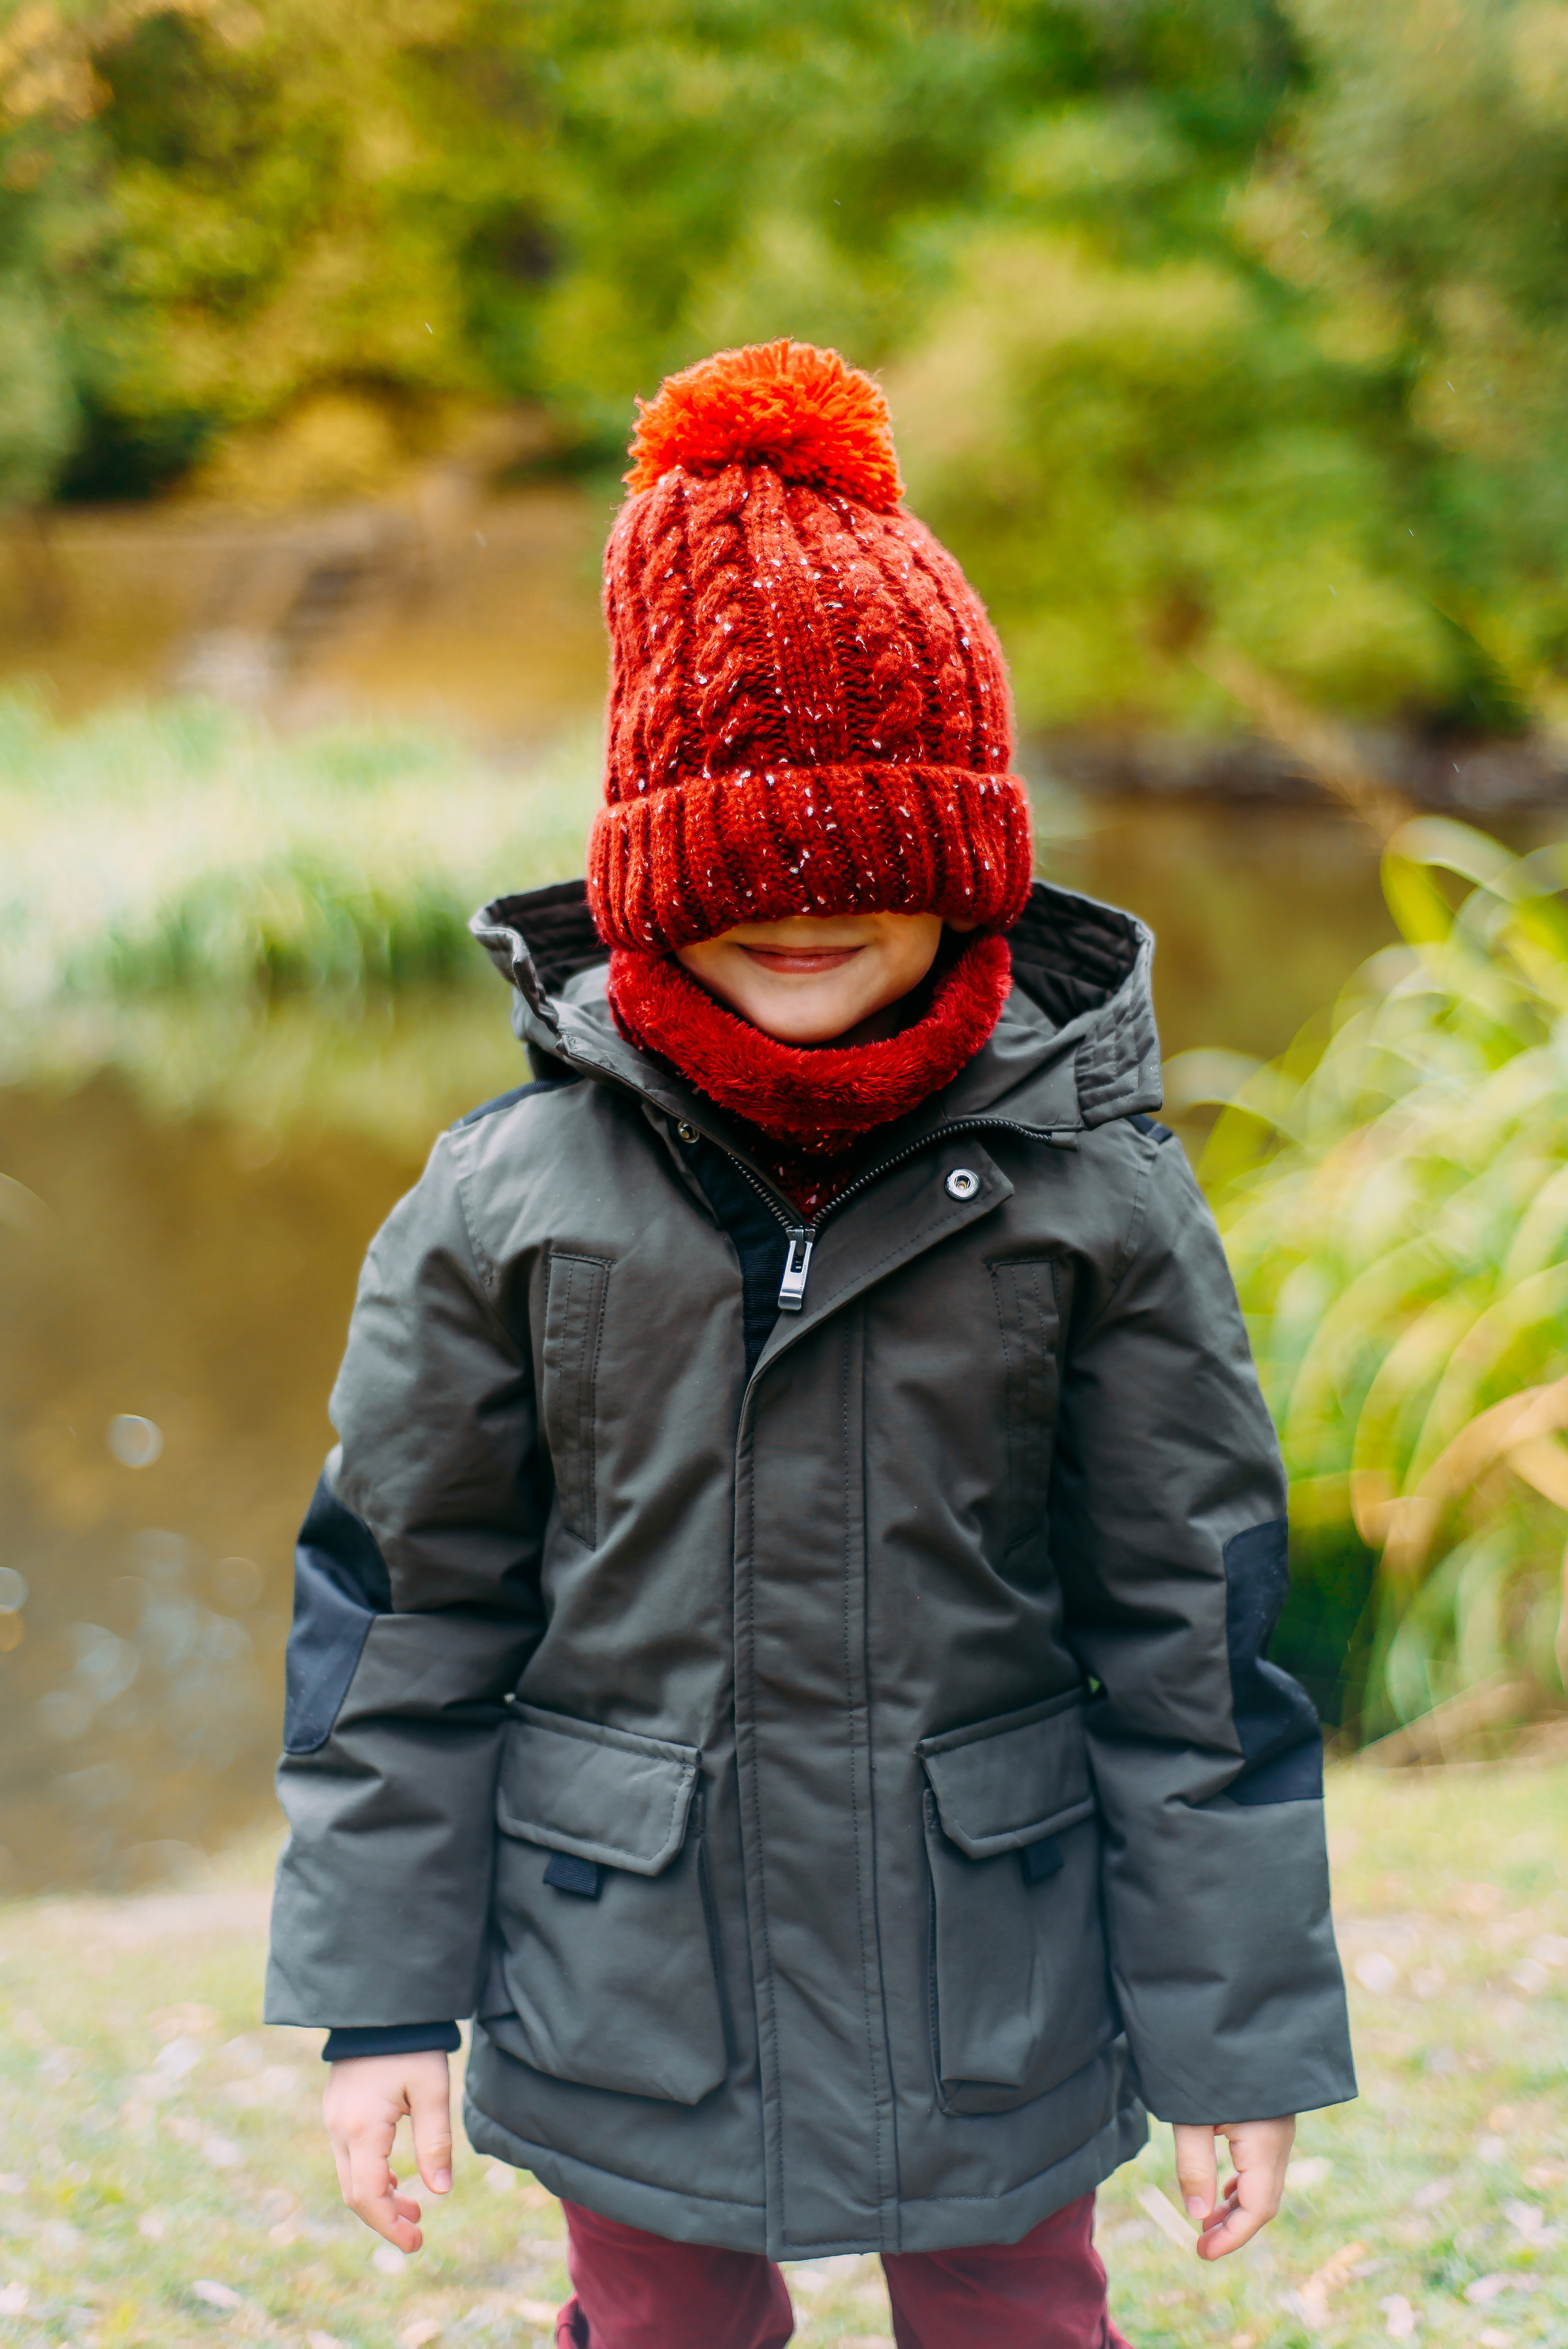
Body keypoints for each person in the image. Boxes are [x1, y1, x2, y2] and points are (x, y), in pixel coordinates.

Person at [265, 339, 1355, 2348]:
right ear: (653, 865)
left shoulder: (1096, 1198)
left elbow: (1187, 1644)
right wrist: (381, 1996)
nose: (809, 899)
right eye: (751, 853)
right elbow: (403, 1619)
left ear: (970, 864)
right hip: (628, 1982)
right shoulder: (507, 1199)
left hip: (999, 1974)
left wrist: (1238, 2034)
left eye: (874, 853)